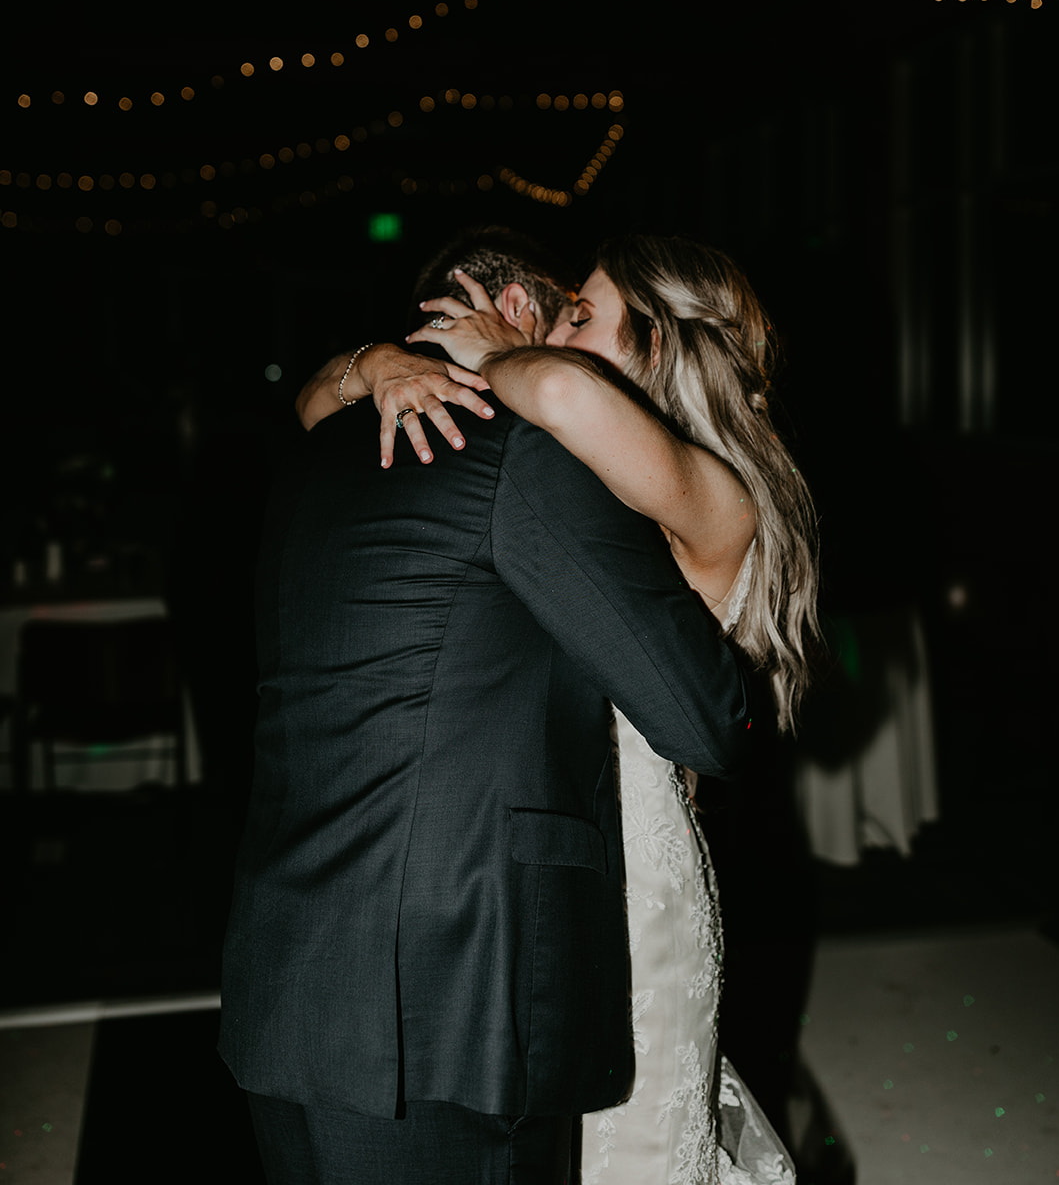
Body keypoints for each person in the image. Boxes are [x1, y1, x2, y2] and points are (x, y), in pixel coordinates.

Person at [218, 227, 755, 1185]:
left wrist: (365, 368)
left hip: (290, 964)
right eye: (571, 316)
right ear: (511, 314)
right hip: (449, 993)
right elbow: (707, 719)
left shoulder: (319, 454)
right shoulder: (525, 458)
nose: (575, 348)